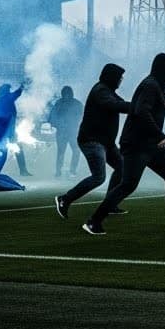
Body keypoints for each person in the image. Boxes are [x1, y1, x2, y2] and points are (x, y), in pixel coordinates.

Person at [82, 53, 165, 234]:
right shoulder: (150, 86)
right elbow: (142, 112)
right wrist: (159, 135)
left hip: (150, 144)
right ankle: (93, 222)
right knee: (128, 185)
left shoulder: (158, 86)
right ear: (163, 70)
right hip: (137, 144)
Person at [56, 64, 130, 219]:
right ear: (112, 77)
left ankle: (110, 204)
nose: (121, 80)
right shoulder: (101, 91)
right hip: (92, 141)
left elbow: (123, 104)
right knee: (99, 177)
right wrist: (139, 106)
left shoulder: (108, 91)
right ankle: (65, 199)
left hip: (106, 142)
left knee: (122, 168)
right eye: (120, 77)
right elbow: (116, 105)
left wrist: (138, 105)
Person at [48, 86, 84, 178]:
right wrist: (57, 125)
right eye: (65, 93)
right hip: (64, 131)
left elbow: (83, 116)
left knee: (75, 151)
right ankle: (59, 171)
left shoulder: (75, 104)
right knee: (62, 152)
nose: (67, 95)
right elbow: (52, 116)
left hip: (72, 131)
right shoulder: (60, 103)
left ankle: (71, 170)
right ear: (63, 94)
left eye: (68, 93)